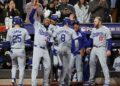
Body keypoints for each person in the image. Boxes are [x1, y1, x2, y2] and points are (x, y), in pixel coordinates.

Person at [29, 1, 51, 86]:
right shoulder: (38, 25)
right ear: (43, 20)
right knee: (35, 67)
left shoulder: (49, 30)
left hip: (45, 49)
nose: (47, 20)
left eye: (48, 20)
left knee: (48, 66)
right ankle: (33, 83)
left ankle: (45, 82)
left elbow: (50, 41)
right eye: (46, 19)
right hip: (37, 48)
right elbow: (31, 18)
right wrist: (34, 9)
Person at [6, 16, 31, 86]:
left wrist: (7, 52)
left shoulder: (10, 30)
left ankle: (13, 78)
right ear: (20, 22)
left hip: (12, 50)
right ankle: (20, 83)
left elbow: (7, 43)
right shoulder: (24, 30)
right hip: (21, 50)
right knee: (21, 68)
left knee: (14, 66)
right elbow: (29, 41)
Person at [87, 16, 112, 86]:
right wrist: (89, 47)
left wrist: (109, 49)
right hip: (94, 48)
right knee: (91, 64)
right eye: (94, 21)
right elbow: (91, 39)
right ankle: (91, 81)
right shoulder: (93, 29)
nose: (93, 22)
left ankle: (107, 82)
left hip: (102, 48)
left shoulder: (106, 29)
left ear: (100, 22)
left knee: (104, 65)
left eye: (95, 21)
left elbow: (109, 40)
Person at [53, 17, 75, 86]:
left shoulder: (58, 29)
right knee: (66, 66)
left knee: (60, 65)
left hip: (59, 48)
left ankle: (60, 81)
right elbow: (75, 41)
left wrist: (55, 46)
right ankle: (65, 82)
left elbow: (53, 38)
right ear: (68, 22)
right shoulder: (71, 30)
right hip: (67, 48)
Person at [68, 20, 88, 85]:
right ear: (73, 26)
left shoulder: (82, 34)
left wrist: (83, 48)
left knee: (79, 68)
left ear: (79, 26)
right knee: (70, 67)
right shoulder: (69, 33)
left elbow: (85, 42)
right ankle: (68, 81)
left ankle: (80, 82)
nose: (75, 26)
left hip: (79, 53)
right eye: (74, 24)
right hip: (71, 53)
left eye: (77, 25)